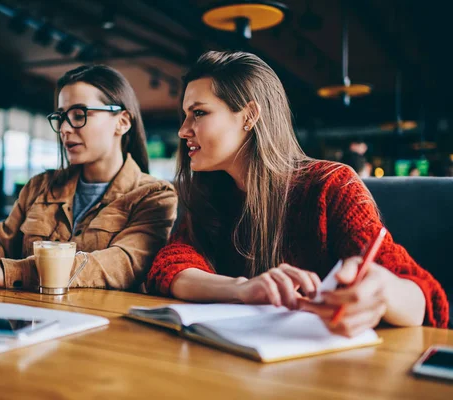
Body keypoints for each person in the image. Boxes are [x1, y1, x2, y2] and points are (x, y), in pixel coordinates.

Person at [146, 51, 449, 336]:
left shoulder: (331, 186)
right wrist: (242, 288)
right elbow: (169, 266)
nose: (183, 130)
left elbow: (427, 301)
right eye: (185, 115)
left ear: (249, 116)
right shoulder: (210, 192)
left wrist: (384, 291)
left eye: (198, 112)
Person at [0, 65, 178, 291]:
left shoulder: (154, 195)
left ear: (122, 122)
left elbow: (122, 264)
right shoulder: (40, 187)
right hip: (28, 324)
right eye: (61, 117)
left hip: (102, 329)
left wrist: (10, 271)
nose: (64, 128)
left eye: (79, 114)